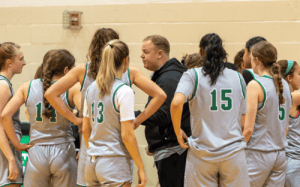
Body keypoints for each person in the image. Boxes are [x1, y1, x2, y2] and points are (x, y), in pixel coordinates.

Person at [44, 28, 166, 187]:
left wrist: (76, 120)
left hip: (92, 154)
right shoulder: (126, 81)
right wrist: (137, 120)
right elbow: (160, 96)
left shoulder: (89, 84)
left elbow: (51, 93)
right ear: (124, 58)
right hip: (115, 155)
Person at [171, 33, 249, 187]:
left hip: (202, 154)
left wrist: (177, 131)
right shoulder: (238, 77)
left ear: (201, 52)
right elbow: (243, 121)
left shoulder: (192, 75)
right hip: (233, 154)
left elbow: (176, 103)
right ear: (222, 52)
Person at [1, 49, 81, 187]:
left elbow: (4, 115)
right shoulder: (73, 88)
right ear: (67, 70)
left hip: (36, 152)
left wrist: (17, 144)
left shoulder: (27, 86)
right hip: (63, 150)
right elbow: (89, 117)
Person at [82, 40, 147, 187]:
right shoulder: (124, 91)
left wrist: (94, 150)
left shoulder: (91, 89)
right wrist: (141, 167)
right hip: (114, 162)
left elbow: (86, 129)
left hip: (91, 162)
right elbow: (127, 135)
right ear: (126, 61)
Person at [137, 35, 191, 187]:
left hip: (173, 151)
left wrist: (134, 116)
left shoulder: (169, 78)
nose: (141, 55)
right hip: (168, 149)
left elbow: (163, 115)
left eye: (146, 52)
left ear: (160, 53)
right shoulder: (164, 75)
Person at [243, 41, 291, 186]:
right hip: (280, 154)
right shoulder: (285, 84)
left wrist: (235, 151)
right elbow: (286, 127)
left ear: (256, 60)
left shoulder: (255, 85)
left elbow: (248, 129)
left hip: (259, 153)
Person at [0, 42, 31, 187]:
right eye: (21, 58)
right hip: (5, 150)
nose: (24, 62)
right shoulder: (3, 86)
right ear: (9, 62)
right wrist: (11, 159)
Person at [277, 60, 300, 187]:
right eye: (299, 73)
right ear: (289, 77)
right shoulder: (294, 97)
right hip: (294, 162)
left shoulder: (278, 96)